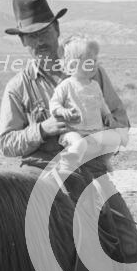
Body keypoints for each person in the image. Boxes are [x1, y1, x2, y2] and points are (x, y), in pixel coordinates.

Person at [0, 0, 137, 271]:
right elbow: (6, 142)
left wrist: (98, 140)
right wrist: (44, 129)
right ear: (23, 41)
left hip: (90, 172)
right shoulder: (18, 87)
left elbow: (121, 121)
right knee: (2, 241)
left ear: (57, 29)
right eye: (31, 35)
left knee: (129, 239)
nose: (40, 40)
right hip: (38, 174)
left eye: (45, 30)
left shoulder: (92, 73)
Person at [49, 36, 128, 175]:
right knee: (79, 144)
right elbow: (54, 104)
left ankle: (103, 160)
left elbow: (101, 103)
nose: (95, 64)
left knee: (116, 138)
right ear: (73, 65)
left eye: (96, 61)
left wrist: (108, 115)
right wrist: (62, 110)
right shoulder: (67, 85)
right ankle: (66, 168)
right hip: (74, 131)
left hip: (95, 131)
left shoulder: (95, 85)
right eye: (89, 62)